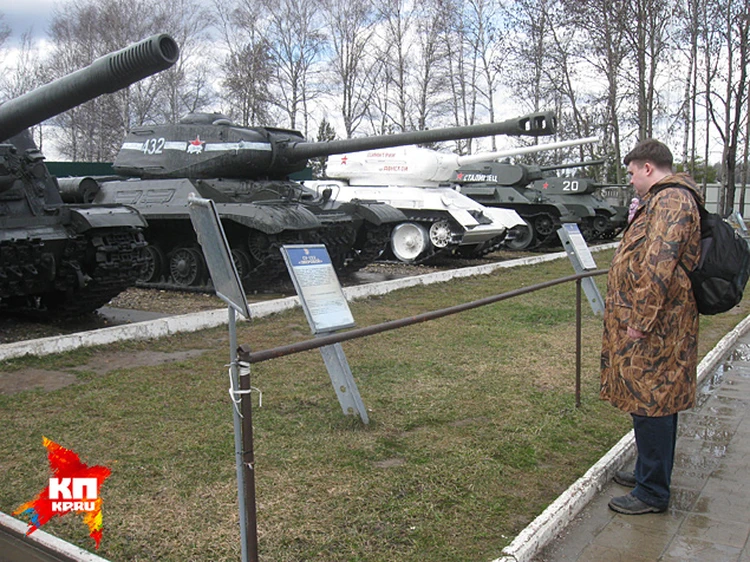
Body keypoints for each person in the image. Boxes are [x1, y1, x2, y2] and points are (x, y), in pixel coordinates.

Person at [600, 139, 702, 515]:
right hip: (658, 321)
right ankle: (648, 473)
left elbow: (659, 263)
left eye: (631, 173)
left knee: (653, 403)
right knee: (652, 402)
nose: (630, 181)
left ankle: (652, 492)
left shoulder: (671, 200)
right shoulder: (661, 200)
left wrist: (640, 321)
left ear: (647, 168)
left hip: (658, 326)